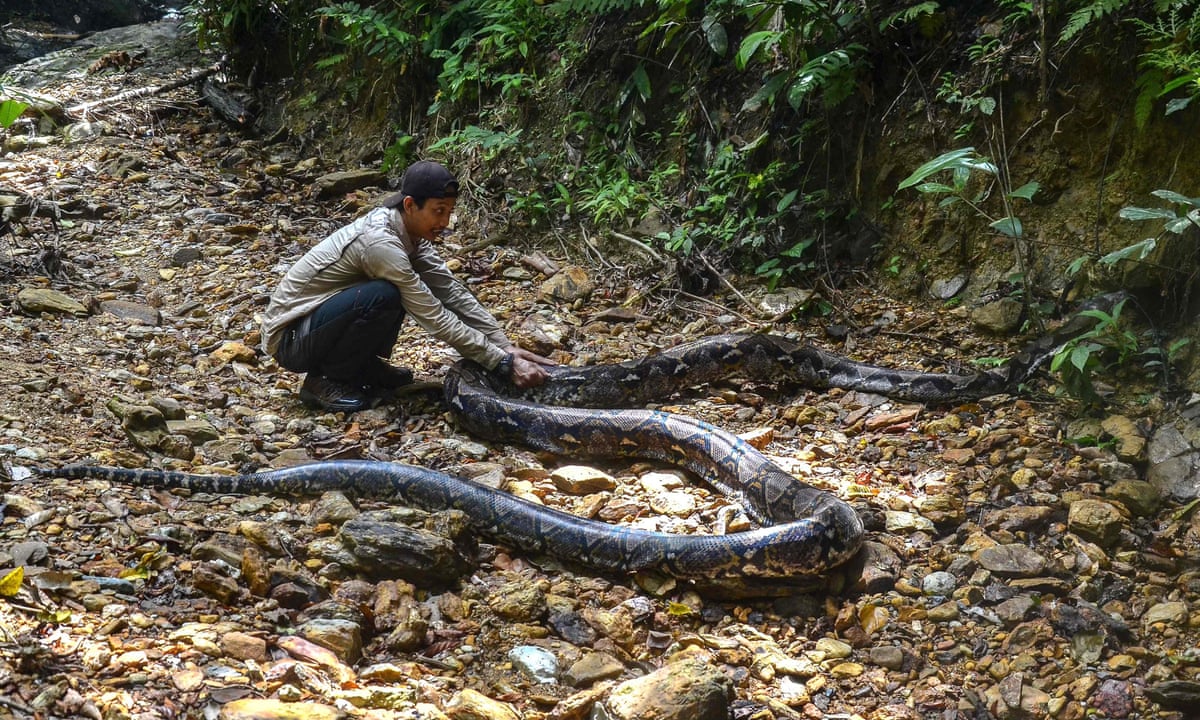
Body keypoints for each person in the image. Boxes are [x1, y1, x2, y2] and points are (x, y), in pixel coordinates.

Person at [260, 160, 555, 413]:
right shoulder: (380, 244)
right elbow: (433, 315)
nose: (445, 221)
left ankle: (360, 366)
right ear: (411, 205)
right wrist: (500, 363)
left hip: (316, 326)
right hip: (290, 338)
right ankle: (324, 381)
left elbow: (451, 292)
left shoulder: (412, 235)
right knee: (384, 295)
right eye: (439, 211)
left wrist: (503, 344)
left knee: (388, 294)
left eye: (450, 211)